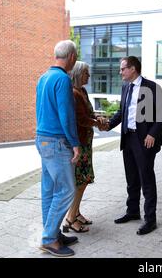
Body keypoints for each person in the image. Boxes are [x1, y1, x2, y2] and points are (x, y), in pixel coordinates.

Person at [101, 56, 162, 235]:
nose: (120, 72)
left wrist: (152, 134)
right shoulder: (125, 87)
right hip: (128, 138)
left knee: (146, 179)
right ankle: (132, 211)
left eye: (123, 68)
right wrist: (107, 125)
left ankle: (150, 220)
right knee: (131, 178)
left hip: (144, 139)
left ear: (133, 69)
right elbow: (121, 112)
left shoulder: (152, 87)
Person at [35, 40, 80, 257]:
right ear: (71, 56)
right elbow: (66, 115)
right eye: (76, 55)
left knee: (49, 190)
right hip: (56, 142)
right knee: (67, 189)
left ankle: (51, 232)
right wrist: (75, 143)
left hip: (42, 139)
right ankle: (49, 239)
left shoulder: (43, 78)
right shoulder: (62, 79)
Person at [63, 61, 106, 234]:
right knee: (80, 181)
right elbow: (81, 120)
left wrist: (97, 117)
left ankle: (76, 213)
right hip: (79, 144)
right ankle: (70, 219)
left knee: (84, 180)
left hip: (86, 142)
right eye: (86, 73)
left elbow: (88, 114)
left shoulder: (82, 91)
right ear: (78, 74)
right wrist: (97, 123)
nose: (89, 75)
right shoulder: (74, 93)